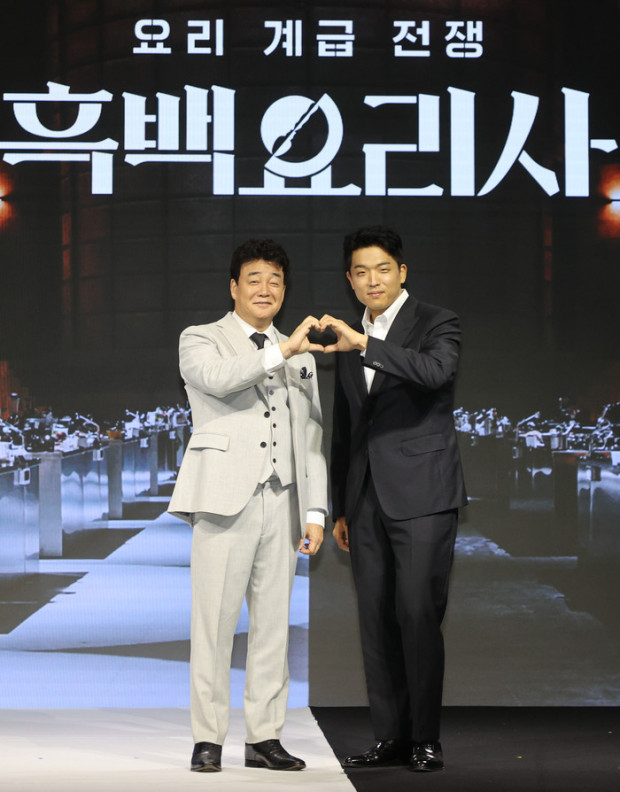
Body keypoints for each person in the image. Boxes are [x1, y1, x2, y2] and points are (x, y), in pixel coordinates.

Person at [168, 238, 328, 773]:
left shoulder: (300, 353)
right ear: (233, 287)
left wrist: (315, 511)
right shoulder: (201, 338)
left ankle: (264, 737)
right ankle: (207, 739)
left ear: (285, 290)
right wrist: (281, 352)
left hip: (283, 500)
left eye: (275, 280)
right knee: (213, 624)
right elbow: (216, 379)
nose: (265, 288)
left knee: (273, 626)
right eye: (254, 279)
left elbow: (311, 435)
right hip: (222, 498)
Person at [320, 225, 467, 773]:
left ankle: (425, 738)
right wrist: (341, 503)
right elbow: (346, 426)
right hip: (365, 500)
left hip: (424, 492)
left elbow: (436, 372)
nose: (372, 280)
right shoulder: (350, 333)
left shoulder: (436, 321)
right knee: (376, 621)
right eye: (361, 272)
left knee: (417, 613)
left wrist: (366, 346)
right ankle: (389, 737)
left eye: (382, 269)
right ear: (350, 279)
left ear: (402, 272)